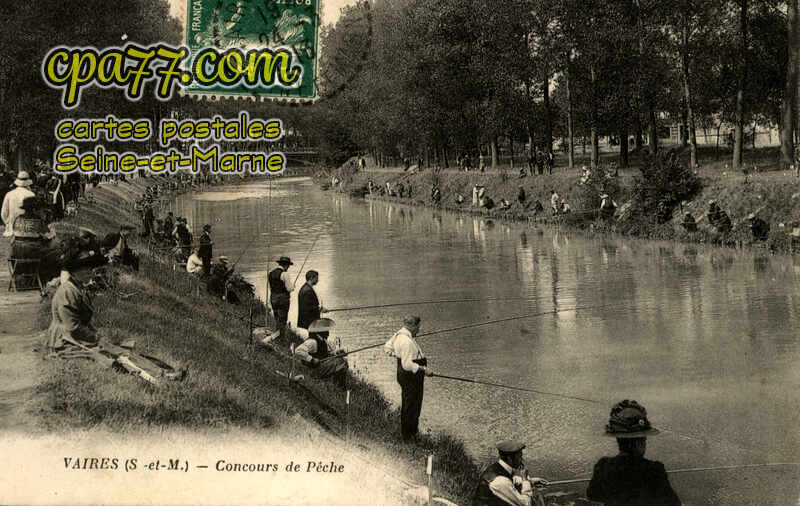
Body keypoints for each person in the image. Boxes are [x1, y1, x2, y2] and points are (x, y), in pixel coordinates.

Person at [586, 399, 681, 506]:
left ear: (618, 440)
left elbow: (592, 495)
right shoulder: (653, 470)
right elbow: (673, 503)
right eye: (644, 440)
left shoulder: (603, 466)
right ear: (639, 443)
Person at [384, 315, 433, 441]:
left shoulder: (398, 335)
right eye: (418, 327)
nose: (419, 330)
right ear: (412, 326)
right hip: (411, 377)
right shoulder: (406, 341)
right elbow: (407, 365)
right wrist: (423, 369)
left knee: (409, 403)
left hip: (404, 375)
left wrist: (397, 354)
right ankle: (409, 436)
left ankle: (409, 434)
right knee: (413, 405)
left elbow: (387, 347)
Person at [46, 245, 98, 350]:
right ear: (74, 272)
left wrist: (95, 333)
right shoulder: (68, 291)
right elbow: (72, 326)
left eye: (90, 268)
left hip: (76, 335)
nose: (89, 272)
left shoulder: (79, 288)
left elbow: (83, 320)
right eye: (84, 268)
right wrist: (95, 337)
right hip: (65, 339)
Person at [473, 440, 549, 506]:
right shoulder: (500, 481)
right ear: (509, 459)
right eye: (519, 457)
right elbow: (526, 504)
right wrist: (525, 480)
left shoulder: (499, 467)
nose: (522, 460)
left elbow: (512, 481)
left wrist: (531, 481)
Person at [294, 318, 349, 388]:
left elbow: (325, 354)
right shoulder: (312, 341)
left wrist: (337, 353)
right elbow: (298, 351)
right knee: (341, 362)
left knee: (341, 360)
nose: (328, 333)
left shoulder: (323, 340)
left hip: (320, 367)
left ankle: (338, 385)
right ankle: (339, 386)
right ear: (320, 332)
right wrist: (312, 359)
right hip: (314, 370)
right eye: (326, 331)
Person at [2, 171, 36, 237]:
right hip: (28, 227)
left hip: (12, 226)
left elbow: (4, 213)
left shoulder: (9, 194)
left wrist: (8, 223)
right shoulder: (31, 194)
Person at [268, 256, 295, 338]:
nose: (288, 268)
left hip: (273, 297)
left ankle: (277, 335)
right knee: (283, 319)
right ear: (286, 265)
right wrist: (293, 287)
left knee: (276, 318)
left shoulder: (271, 273)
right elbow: (289, 288)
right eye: (288, 266)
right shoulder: (285, 274)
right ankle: (281, 337)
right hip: (283, 299)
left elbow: (271, 287)